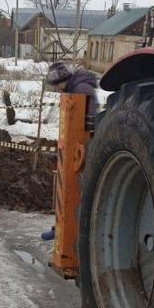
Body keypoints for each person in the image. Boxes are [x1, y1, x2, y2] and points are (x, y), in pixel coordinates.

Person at [40, 62, 99, 241]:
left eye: (56, 86)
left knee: (73, 188)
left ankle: (68, 232)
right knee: (66, 187)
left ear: (61, 81)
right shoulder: (76, 88)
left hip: (80, 144)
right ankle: (61, 227)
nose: (57, 90)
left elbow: (86, 120)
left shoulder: (79, 90)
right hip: (76, 144)